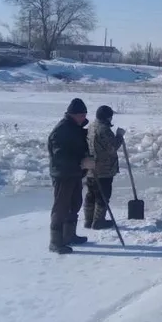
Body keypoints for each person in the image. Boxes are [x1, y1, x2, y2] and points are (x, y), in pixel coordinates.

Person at [47, 98, 94, 254]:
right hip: (63, 174)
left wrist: (86, 158)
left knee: (75, 203)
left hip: (74, 173)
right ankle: (56, 242)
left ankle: (69, 235)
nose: (83, 117)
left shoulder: (75, 127)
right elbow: (60, 156)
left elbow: (79, 148)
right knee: (61, 207)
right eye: (81, 114)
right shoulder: (62, 130)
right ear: (72, 114)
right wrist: (81, 162)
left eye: (84, 114)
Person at [84, 105, 126, 230]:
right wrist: (119, 136)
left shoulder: (91, 126)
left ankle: (88, 220)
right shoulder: (104, 129)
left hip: (91, 167)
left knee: (91, 194)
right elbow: (112, 148)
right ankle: (98, 221)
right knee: (103, 195)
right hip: (103, 169)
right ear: (107, 117)